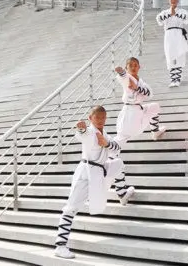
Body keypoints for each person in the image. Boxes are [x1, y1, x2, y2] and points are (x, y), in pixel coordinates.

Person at [53, 105, 134, 259]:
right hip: (86, 173)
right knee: (71, 208)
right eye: (98, 118)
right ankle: (60, 245)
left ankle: (122, 193)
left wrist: (106, 143)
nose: (101, 120)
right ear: (90, 118)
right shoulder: (90, 131)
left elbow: (116, 147)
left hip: (100, 170)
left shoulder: (104, 133)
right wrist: (81, 129)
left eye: (103, 118)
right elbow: (82, 135)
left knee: (118, 163)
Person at [112, 57, 167, 144]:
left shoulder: (140, 81)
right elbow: (123, 78)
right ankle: (110, 149)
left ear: (139, 67)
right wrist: (121, 72)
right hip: (130, 111)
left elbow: (149, 93)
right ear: (126, 68)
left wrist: (137, 88)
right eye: (130, 66)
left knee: (155, 107)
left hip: (138, 108)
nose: (133, 68)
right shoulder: (128, 78)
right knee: (124, 135)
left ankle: (155, 132)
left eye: (135, 65)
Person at [155, 0, 188, 87]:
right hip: (169, 35)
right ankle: (173, 79)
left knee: (179, 55)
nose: (173, 1)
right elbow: (159, 21)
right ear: (169, 1)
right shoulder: (165, 12)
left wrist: (176, 13)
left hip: (178, 34)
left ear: (177, 1)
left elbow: (186, 19)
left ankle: (177, 79)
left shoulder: (182, 11)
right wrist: (170, 13)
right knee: (170, 56)